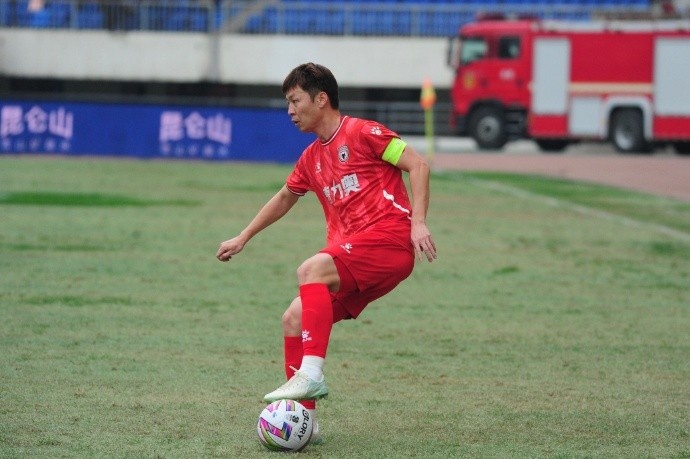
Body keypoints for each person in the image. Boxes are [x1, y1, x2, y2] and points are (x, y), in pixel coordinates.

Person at [216, 62, 436, 443]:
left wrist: (418, 222)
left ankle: (312, 373)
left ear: (321, 99)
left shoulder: (364, 132)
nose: (290, 110)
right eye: (288, 103)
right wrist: (244, 236)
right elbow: (285, 197)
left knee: (311, 269)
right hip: (356, 257)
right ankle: (307, 424)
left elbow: (418, 165)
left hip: (389, 239)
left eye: (295, 100)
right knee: (293, 317)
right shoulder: (310, 158)